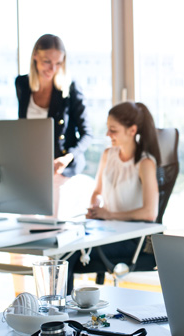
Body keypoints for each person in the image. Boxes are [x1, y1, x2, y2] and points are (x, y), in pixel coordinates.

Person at [65, 101, 161, 293]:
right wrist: (96, 207)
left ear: (132, 130)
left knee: (68, 256)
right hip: (106, 231)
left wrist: (109, 215)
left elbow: (150, 213)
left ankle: (59, 313)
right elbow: (97, 192)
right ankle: (58, 311)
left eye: (113, 130)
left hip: (132, 238)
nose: (108, 135)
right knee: (63, 247)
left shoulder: (145, 163)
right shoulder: (108, 154)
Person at [15, 34, 92, 218]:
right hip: (32, 166)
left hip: (61, 167)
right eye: (47, 61)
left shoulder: (70, 88)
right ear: (35, 57)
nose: (53, 68)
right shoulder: (23, 84)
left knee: (54, 225)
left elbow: (87, 134)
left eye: (58, 63)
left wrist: (67, 158)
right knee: (25, 224)